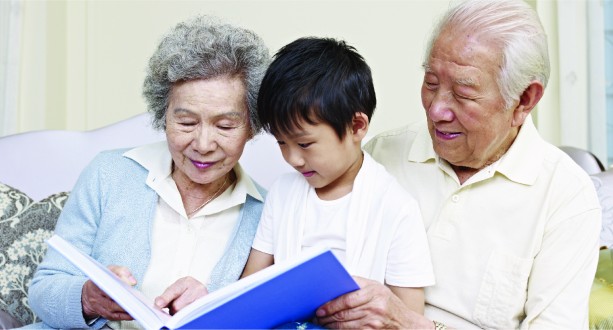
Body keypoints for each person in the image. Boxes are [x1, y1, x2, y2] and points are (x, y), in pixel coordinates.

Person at [315, 0, 602, 329]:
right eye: (431, 83)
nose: (436, 110)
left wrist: (412, 326)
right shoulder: (381, 156)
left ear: (525, 100)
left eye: (464, 93)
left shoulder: (566, 197)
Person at [27, 16, 270, 329]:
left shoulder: (268, 213)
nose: (203, 144)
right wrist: (87, 298)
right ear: (163, 115)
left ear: (251, 127)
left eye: (224, 126)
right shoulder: (108, 174)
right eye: (186, 122)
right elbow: (44, 288)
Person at [241, 37, 435, 317]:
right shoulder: (283, 193)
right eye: (281, 143)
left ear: (356, 126)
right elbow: (251, 285)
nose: (293, 159)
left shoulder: (396, 208)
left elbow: (408, 317)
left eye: (305, 144)